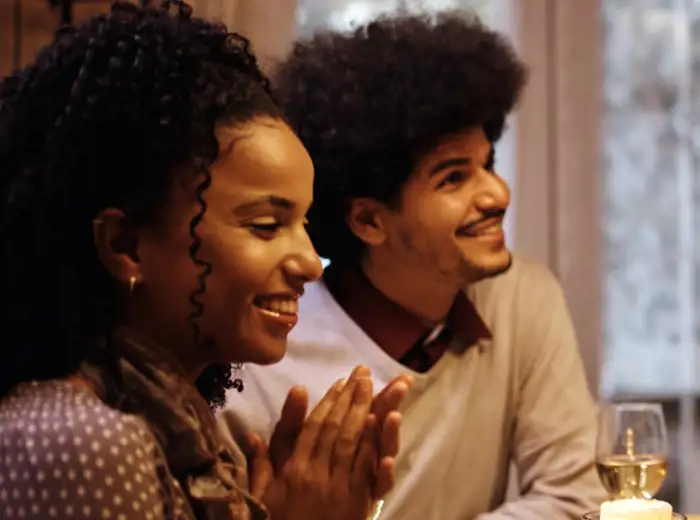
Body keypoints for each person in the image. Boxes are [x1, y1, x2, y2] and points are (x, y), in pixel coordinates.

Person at [0, 2, 406, 519]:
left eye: (303, 224)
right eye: (266, 225)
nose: (308, 261)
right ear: (125, 245)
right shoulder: (84, 443)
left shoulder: (177, 429)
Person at [218, 11, 604, 519]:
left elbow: (574, 498)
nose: (497, 194)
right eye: (453, 178)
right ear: (368, 220)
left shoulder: (523, 299)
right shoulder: (261, 359)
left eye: (487, 164)